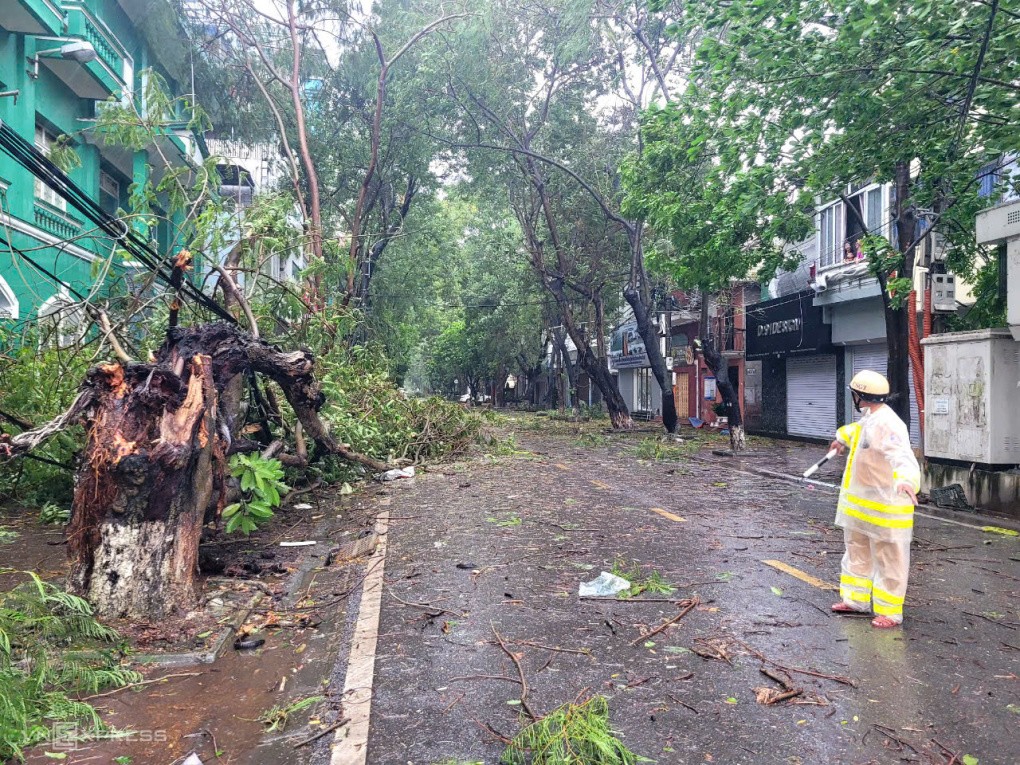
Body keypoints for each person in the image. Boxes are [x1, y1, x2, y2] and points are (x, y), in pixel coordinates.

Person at [828, 370, 920, 628]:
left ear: (861, 396)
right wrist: (840, 439)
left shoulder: (889, 424)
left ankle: (890, 612)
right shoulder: (871, 417)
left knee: (889, 558)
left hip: (886, 505)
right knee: (856, 552)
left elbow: (902, 455)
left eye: (854, 394)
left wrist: (906, 479)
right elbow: (857, 431)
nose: (853, 398)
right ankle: (855, 601)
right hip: (861, 504)